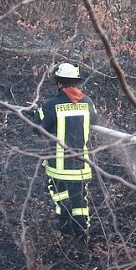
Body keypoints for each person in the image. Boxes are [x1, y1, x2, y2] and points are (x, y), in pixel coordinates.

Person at [32, 62, 97, 240]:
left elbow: (38, 129)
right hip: (81, 164)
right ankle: (82, 231)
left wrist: (36, 113)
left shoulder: (51, 105)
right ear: (76, 82)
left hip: (58, 165)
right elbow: (94, 121)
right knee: (80, 200)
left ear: (59, 82)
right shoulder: (88, 102)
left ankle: (65, 222)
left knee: (59, 192)